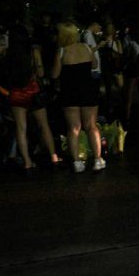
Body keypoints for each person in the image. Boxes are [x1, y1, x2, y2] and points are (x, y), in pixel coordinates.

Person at [2, 25, 59, 170]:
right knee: (44, 125)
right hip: (33, 91)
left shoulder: (8, 54)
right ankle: (53, 156)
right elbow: (40, 73)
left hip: (16, 93)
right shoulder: (33, 51)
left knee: (21, 128)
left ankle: (27, 162)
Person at [52, 22, 106, 173]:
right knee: (91, 126)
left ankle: (77, 162)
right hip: (88, 90)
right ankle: (97, 160)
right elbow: (94, 65)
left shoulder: (61, 51)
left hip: (69, 92)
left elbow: (54, 74)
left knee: (73, 128)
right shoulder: (86, 47)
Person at [100, 22, 124, 115]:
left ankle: (120, 106)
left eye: (111, 28)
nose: (109, 30)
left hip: (115, 67)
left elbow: (121, 54)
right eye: (108, 28)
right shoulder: (102, 40)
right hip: (107, 67)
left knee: (120, 88)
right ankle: (110, 107)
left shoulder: (117, 41)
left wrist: (114, 52)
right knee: (108, 89)